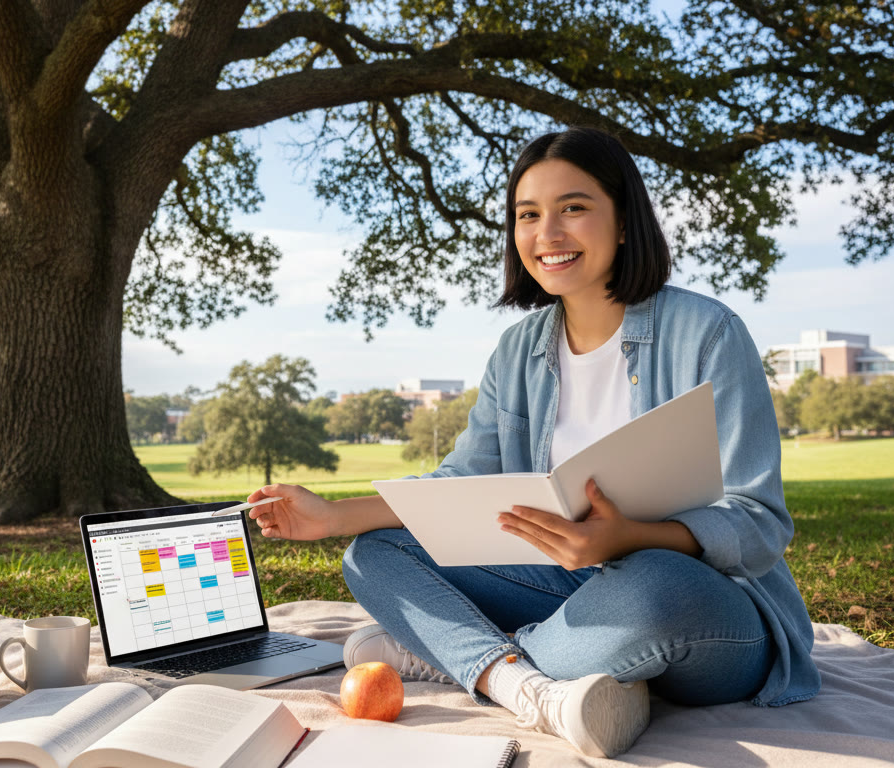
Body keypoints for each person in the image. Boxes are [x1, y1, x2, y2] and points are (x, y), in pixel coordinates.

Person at [243, 126, 820, 758]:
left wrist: (629, 536)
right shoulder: (519, 349)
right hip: (565, 585)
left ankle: (458, 652)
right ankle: (530, 687)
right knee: (372, 553)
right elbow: (459, 485)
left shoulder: (708, 333)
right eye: (528, 215)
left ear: (624, 221)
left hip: (701, 605)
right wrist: (334, 515)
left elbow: (759, 523)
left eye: (573, 207)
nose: (547, 233)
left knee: (656, 587)